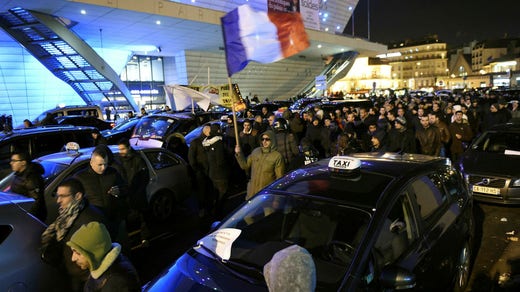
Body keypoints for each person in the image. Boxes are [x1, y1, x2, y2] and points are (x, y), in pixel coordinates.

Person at [41, 178, 106, 291]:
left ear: (78, 196)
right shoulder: (67, 216)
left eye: (63, 196)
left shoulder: (91, 220)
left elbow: (98, 255)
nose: (58, 201)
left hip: (83, 279)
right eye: (57, 196)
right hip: (70, 274)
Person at [74, 146, 128, 243]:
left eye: (105, 164)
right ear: (91, 162)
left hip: (113, 220)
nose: (103, 168)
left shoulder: (113, 173)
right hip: (93, 224)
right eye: (100, 165)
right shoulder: (80, 177)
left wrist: (119, 191)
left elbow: (125, 188)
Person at [67, 222, 140, 291]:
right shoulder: (103, 271)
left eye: (78, 253)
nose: (73, 258)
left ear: (94, 253)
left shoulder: (115, 282)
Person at [117, 138, 150, 244]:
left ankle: (145, 238)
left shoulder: (138, 160)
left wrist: (138, 192)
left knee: (142, 217)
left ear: (128, 148)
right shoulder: (118, 160)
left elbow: (145, 178)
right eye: (119, 149)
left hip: (137, 195)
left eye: (122, 149)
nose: (120, 152)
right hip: (125, 195)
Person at [235, 130, 285, 200]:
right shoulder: (256, 151)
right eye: (262, 139)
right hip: (252, 194)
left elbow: (279, 179)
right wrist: (239, 154)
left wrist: (276, 199)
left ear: (272, 140)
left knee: (268, 211)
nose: (264, 141)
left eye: (267, 139)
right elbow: (245, 166)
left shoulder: (277, 156)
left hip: (266, 195)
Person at [9, 151, 46, 221]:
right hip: (20, 213)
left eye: (14, 161)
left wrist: (26, 218)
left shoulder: (32, 178)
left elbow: (35, 201)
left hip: (30, 217)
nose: (11, 163)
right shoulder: (19, 174)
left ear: (23, 162)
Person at [203, 124, 229, 215]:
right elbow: (220, 160)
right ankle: (218, 213)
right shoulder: (219, 143)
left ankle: (212, 210)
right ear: (218, 130)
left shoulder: (206, 143)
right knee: (222, 194)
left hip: (211, 173)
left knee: (214, 193)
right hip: (220, 174)